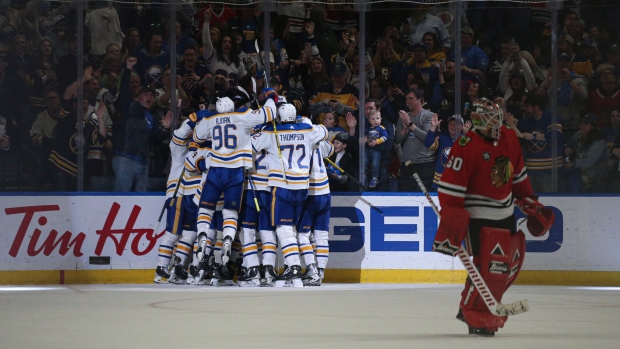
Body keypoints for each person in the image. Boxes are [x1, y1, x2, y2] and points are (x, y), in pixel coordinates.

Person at [432, 97, 554, 336]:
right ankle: (476, 313)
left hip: (506, 212)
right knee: (487, 267)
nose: (496, 123)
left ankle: (470, 305)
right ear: (476, 120)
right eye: (490, 119)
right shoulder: (466, 145)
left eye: (498, 118)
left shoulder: (509, 137)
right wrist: (452, 221)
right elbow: (450, 189)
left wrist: (528, 201)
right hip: (477, 216)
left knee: (507, 266)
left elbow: (517, 174)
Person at [191, 91, 277, 277]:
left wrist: (205, 118)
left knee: (205, 209)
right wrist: (271, 97)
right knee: (230, 212)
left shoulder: (211, 120)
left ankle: (202, 234)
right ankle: (228, 237)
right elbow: (268, 114)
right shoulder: (243, 116)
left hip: (215, 171)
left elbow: (196, 137)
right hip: (235, 172)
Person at [251, 102, 328, 287]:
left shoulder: (272, 132)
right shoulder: (307, 131)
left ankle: (293, 266)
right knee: (295, 229)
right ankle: (308, 269)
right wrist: (303, 124)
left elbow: (252, 144)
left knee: (283, 229)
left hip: (283, 187)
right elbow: (324, 131)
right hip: (303, 187)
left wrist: (267, 125)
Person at [112, 57, 172, 192]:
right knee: (121, 195)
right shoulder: (131, 108)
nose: (150, 96)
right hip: (125, 158)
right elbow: (124, 90)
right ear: (138, 97)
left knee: (141, 198)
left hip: (143, 162)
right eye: (146, 94)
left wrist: (164, 127)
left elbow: (156, 139)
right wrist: (127, 69)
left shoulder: (153, 117)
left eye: (152, 94)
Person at [153, 117, 201, 284]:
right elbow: (179, 134)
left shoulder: (201, 147)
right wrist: (193, 118)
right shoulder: (179, 147)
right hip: (177, 194)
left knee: (190, 233)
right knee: (173, 233)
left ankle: (178, 268)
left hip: (192, 196)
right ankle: (161, 268)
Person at [505, 93, 563, 193]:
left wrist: (534, 136)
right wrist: (512, 123)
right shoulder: (527, 121)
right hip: (531, 171)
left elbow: (556, 136)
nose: (526, 109)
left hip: (549, 171)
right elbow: (517, 131)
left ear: (536, 106)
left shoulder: (550, 117)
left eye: (528, 106)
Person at [395, 88, 435, 191]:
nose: (408, 102)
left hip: (425, 163)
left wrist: (410, 124)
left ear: (419, 99)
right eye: (406, 99)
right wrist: (405, 128)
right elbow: (398, 139)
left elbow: (427, 138)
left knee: (424, 198)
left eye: (411, 99)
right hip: (407, 163)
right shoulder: (403, 117)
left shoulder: (429, 116)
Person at [424, 114, 471, 190]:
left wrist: (466, 134)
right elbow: (428, 144)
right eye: (451, 124)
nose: (453, 126)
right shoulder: (442, 138)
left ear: (462, 127)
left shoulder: (464, 139)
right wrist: (433, 126)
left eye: (456, 124)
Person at [564, 114, 609, 193]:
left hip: (595, 176)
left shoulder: (598, 140)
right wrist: (567, 147)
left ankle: (574, 198)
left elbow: (589, 161)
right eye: (581, 122)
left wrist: (573, 163)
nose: (582, 125)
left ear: (592, 127)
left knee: (574, 178)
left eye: (586, 123)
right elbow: (568, 144)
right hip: (581, 171)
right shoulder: (578, 134)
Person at [365, 111, 388, 188]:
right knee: (365, 162)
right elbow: (365, 137)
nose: (375, 120)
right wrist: (365, 140)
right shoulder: (367, 129)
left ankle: (374, 178)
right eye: (373, 119)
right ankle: (364, 176)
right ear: (369, 120)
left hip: (377, 150)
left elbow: (385, 137)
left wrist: (376, 142)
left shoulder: (381, 128)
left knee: (375, 163)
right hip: (368, 149)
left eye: (377, 118)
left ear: (380, 119)